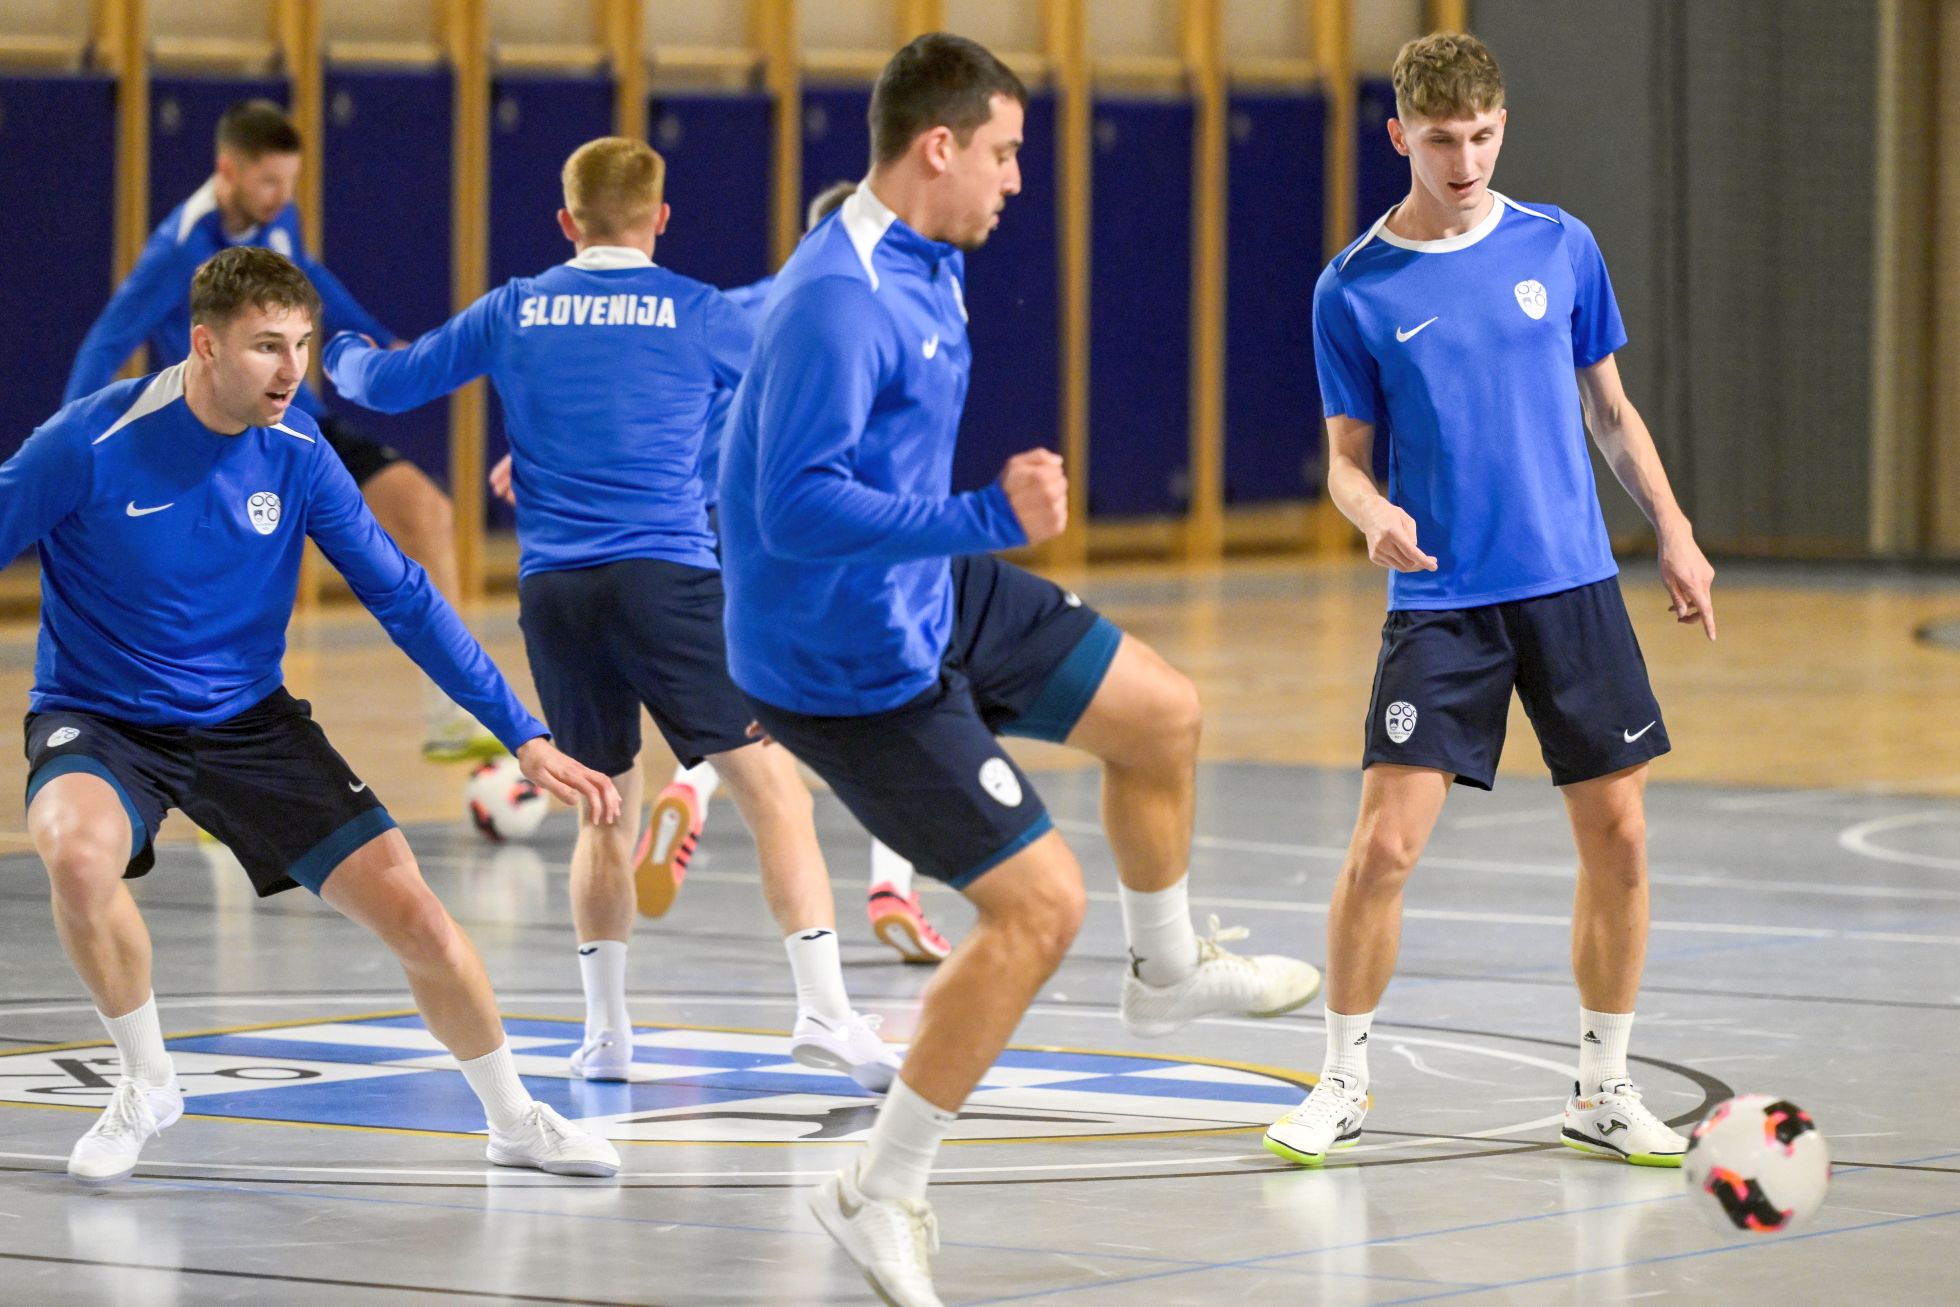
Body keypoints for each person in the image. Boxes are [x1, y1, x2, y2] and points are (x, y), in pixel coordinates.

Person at [719, 34, 1322, 1304]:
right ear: (937, 147)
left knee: (1161, 715)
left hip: (926, 591)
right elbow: (790, 509)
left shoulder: (923, 261)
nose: (1015, 179)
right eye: (1001, 153)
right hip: (844, 665)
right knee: (1041, 908)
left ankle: (1167, 973)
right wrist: (985, 516)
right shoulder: (840, 297)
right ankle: (877, 1191)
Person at [4, 246, 624, 1184]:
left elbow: (405, 597)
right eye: (266, 345)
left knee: (419, 916)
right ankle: (145, 1082)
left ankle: (515, 1118)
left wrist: (522, 733)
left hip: (249, 720)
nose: (292, 368)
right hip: (102, 717)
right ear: (205, 345)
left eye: (301, 344)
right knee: (76, 851)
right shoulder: (86, 441)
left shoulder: (299, 452)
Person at [325, 138, 902, 1093]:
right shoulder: (698, 310)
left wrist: (337, 350)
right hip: (668, 583)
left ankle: (606, 1035)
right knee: (777, 792)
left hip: (557, 595)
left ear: (566, 222)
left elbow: (386, 384)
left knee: (604, 807)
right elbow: (794, 398)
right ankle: (826, 1013)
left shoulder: (515, 307)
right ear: (661, 218)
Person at [1262, 31, 1717, 1170]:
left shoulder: (1560, 245)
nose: (1462, 161)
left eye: (1478, 137)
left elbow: (1610, 411)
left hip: (1572, 589)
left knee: (1619, 836)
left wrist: (1674, 530)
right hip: (1442, 603)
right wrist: (1372, 513)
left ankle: (1603, 1087)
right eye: (1438, 140)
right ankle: (1342, 1079)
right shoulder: (1353, 287)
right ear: (1397, 136)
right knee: (1383, 847)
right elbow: (1344, 461)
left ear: (1501, 127)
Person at [490, 176, 955, 963]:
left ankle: (693, 785)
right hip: (781, 530)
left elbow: (625, 384)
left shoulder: (724, 305)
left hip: (688, 533)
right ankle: (889, 886)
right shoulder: (869, 318)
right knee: (895, 692)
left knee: (736, 713)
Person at [62, 98, 495, 763]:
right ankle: (198, 746)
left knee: (426, 512)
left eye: (289, 182)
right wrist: (73, 439)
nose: (281, 196)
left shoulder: (278, 217)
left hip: (299, 423)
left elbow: (311, 282)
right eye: (269, 181)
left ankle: (452, 718)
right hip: (221, 440)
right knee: (241, 596)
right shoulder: (179, 248)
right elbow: (107, 340)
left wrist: (381, 339)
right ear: (227, 171)